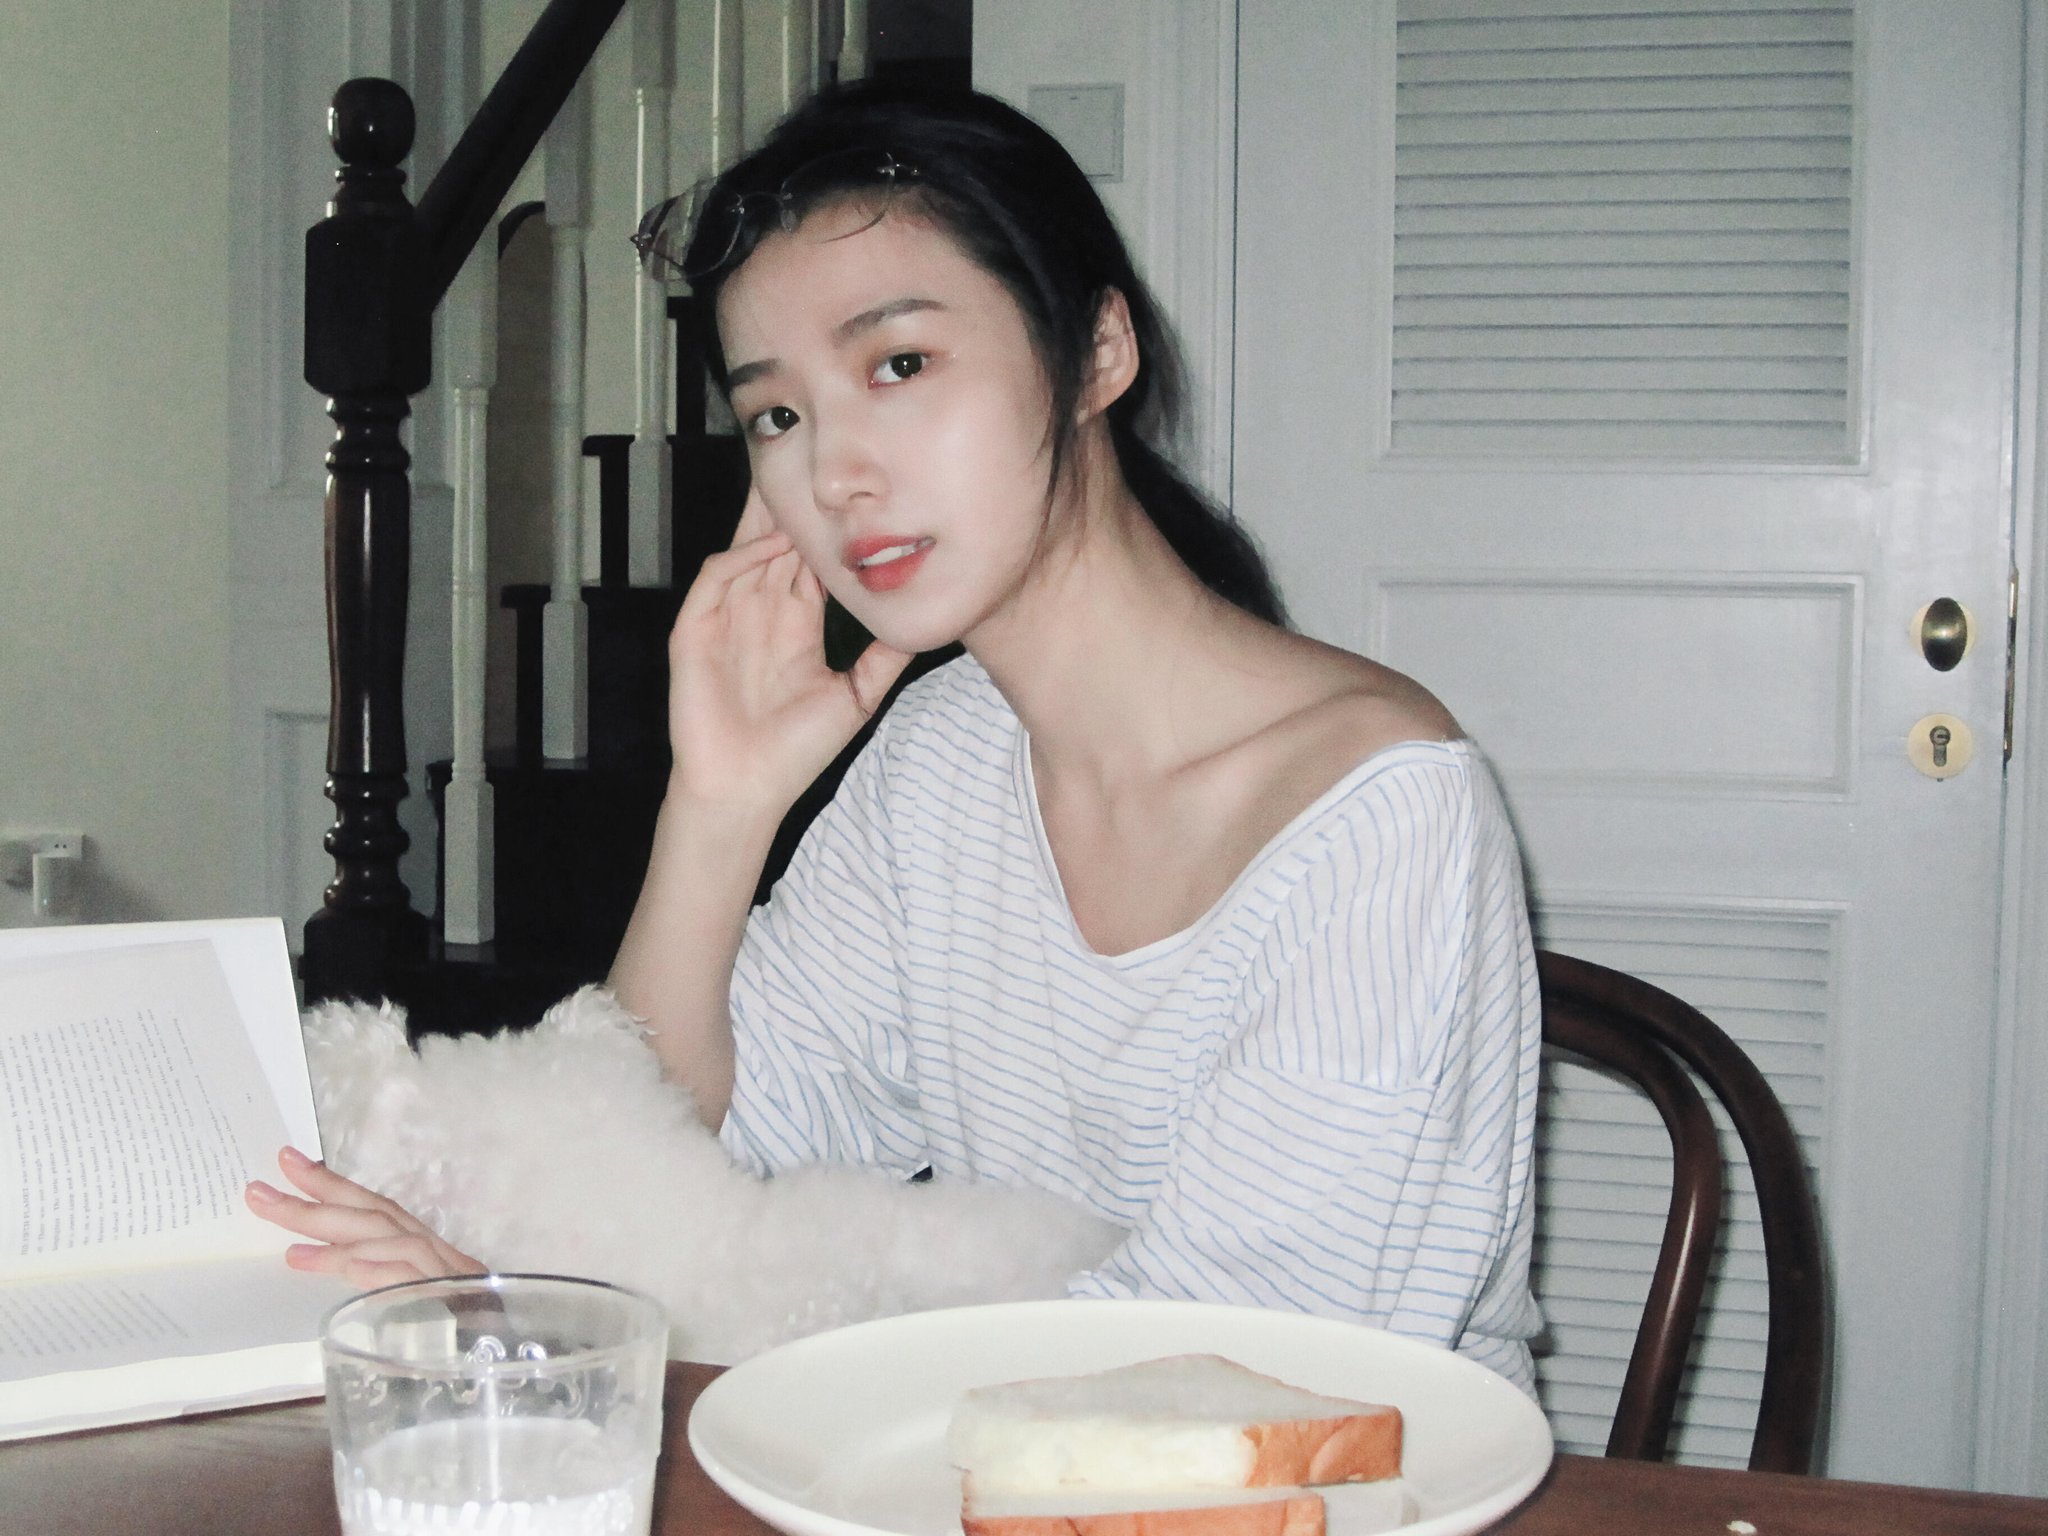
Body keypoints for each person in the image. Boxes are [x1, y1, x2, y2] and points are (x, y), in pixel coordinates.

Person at [248, 82, 1544, 1388]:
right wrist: (719, 808)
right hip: (992, 1452)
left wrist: (524, 1318)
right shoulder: (946, 754)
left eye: (900, 366)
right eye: (777, 414)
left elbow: (1238, 1376)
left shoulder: (1378, 814)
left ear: (1097, 350)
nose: (833, 472)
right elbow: (677, 1157)